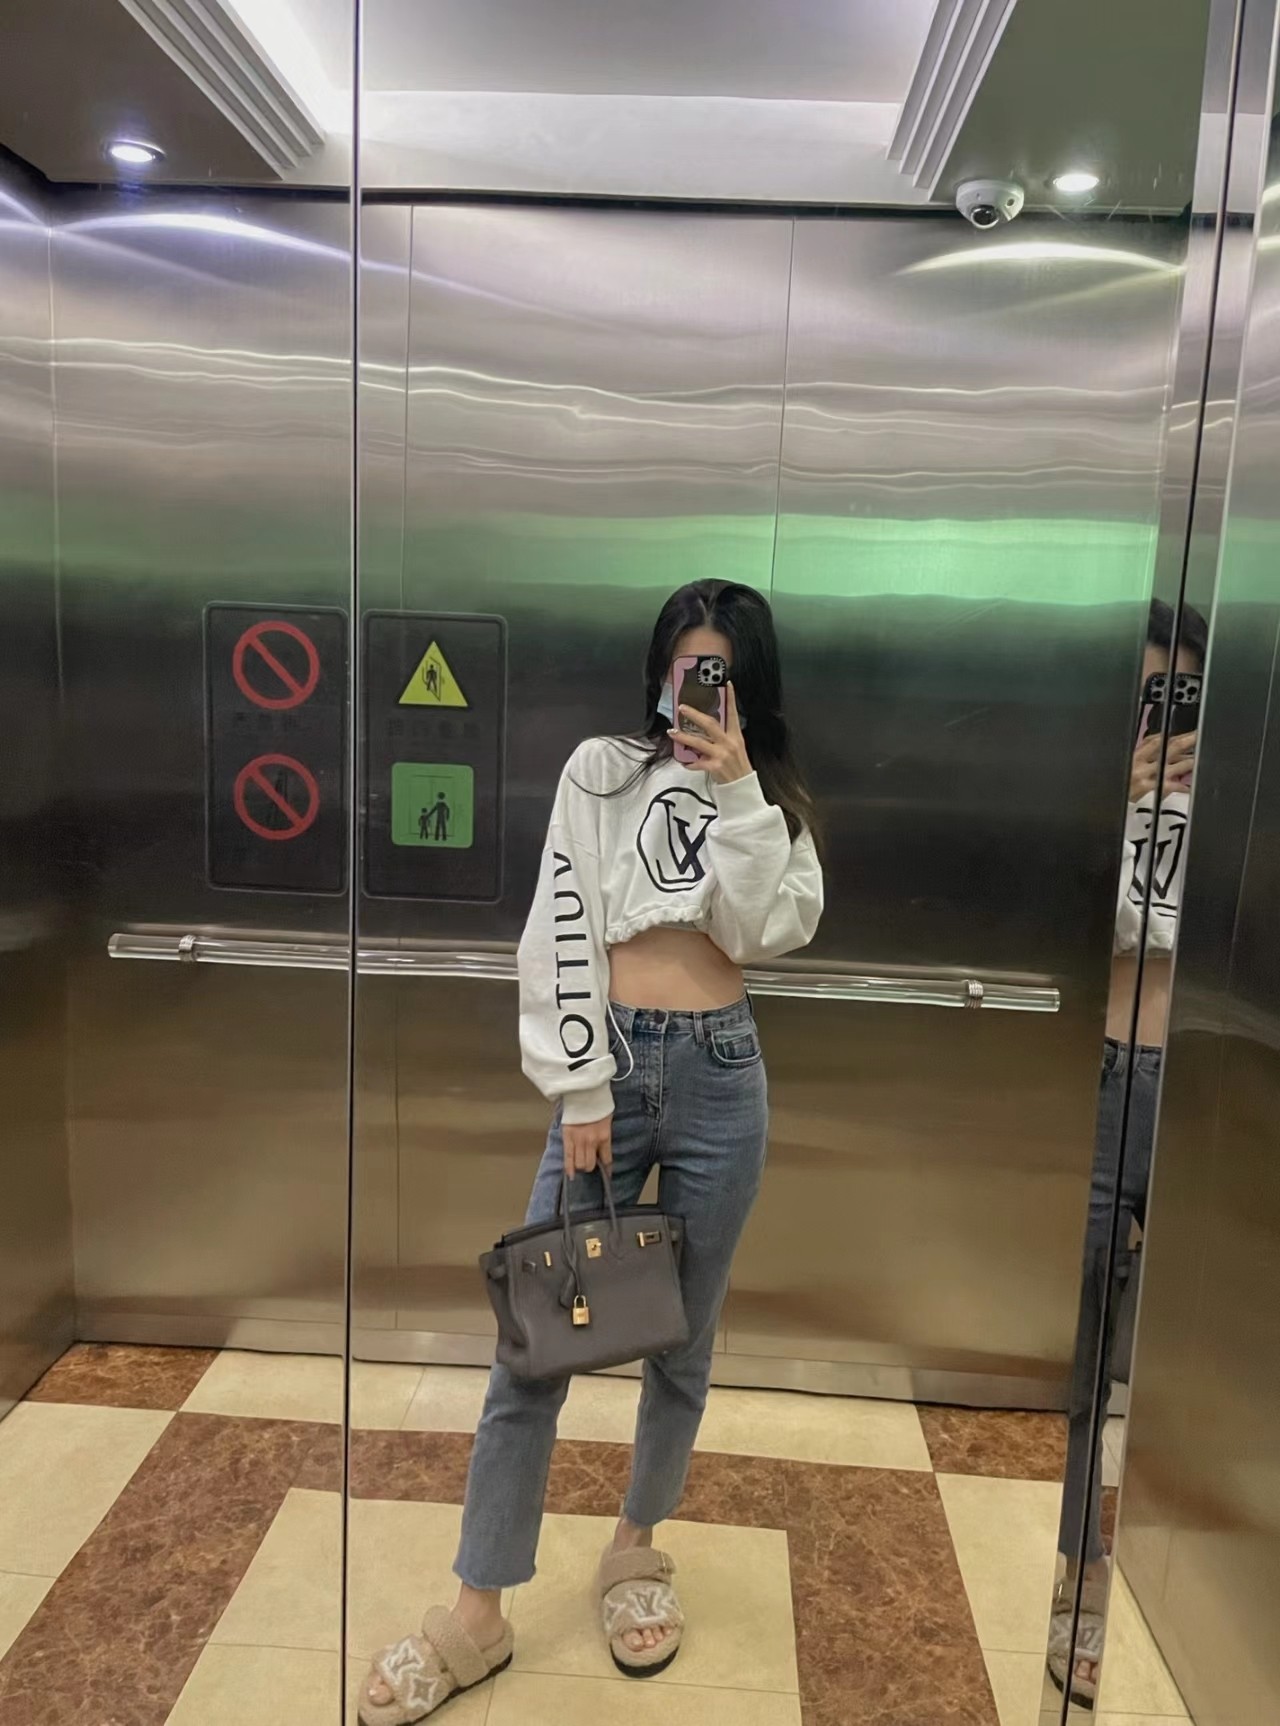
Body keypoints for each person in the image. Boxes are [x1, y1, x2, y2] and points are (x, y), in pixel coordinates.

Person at [361, 581, 823, 1724]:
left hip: (722, 1071)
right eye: (681, 665)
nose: (694, 689)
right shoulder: (599, 772)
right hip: (607, 1059)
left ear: (748, 686)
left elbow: (763, 932)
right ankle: (478, 1608)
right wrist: (579, 1080)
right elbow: (558, 922)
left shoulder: (770, 802)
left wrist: (738, 792)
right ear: (657, 671)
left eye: (718, 672)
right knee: (535, 1341)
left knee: (683, 1341)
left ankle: (633, 1547)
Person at [1047, 597, 1207, 1707]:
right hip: (1100, 1079)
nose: (1165, 719)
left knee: (1192, 1355)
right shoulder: (1083, 802)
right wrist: (1116, 805)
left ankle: (1186, 1586)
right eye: (1147, 697)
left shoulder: (1238, 804)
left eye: (1182, 696)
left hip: (1211, 1086)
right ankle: (1078, 1566)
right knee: (1083, 1351)